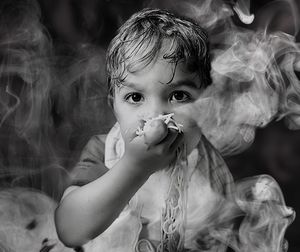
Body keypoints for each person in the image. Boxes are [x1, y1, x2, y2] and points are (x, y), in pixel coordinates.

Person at [55, 8, 291, 252]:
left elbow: (224, 238)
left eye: (179, 96)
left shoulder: (208, 167)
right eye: (135, 97)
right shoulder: (105, 151)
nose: (156, 116)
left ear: (205, 106)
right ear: (113, 107)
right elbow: (70, 231)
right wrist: (135, 167)